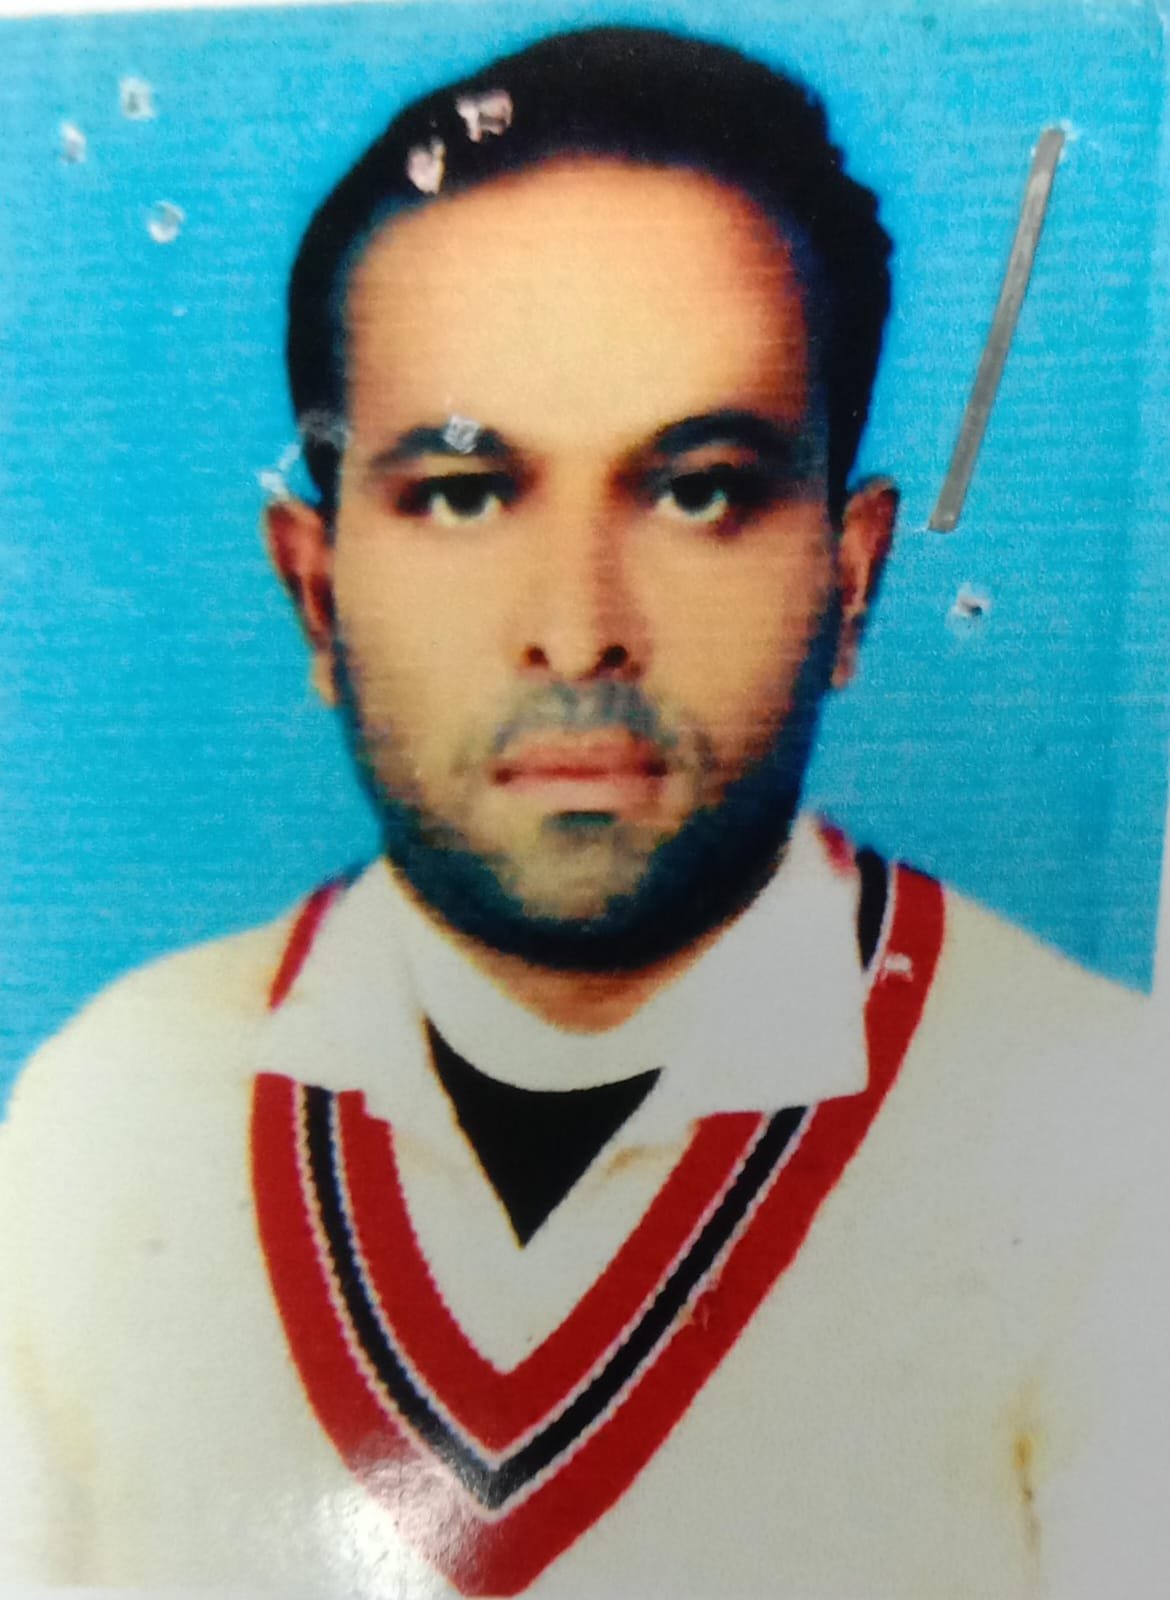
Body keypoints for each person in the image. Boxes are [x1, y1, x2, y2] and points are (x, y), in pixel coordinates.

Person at [1, 24, 1166, 1599]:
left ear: (850, 577)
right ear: (315, 589)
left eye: (698, 489)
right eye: (463, 494)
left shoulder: (1104, 1144)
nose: (576, 629)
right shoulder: (108, 1121)